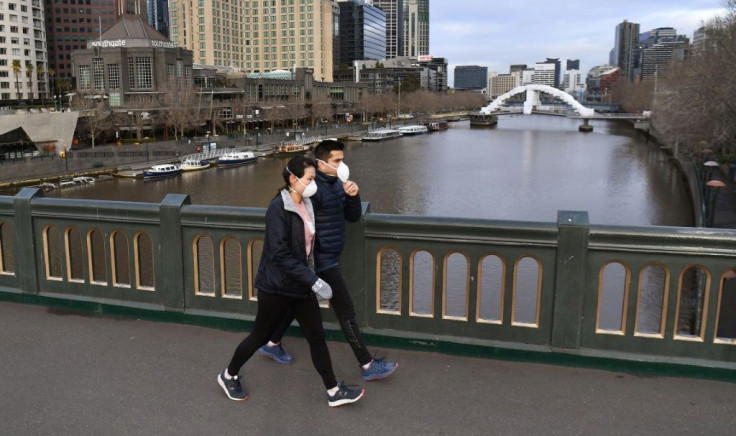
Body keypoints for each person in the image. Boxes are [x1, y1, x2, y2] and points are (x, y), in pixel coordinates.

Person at [217, 155, 364, 407]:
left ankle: (332, 392)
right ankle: (228, 375)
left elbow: (337, 217)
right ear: (293, 179)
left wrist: (353, 195)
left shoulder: (307, 202)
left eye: (314, 178)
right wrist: (315, 281)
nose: (313, 183)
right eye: (309, 179)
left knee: (316, 336)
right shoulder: (278, 208)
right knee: (260, 336)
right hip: (276, 286)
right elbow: (279, 254)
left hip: (300, 285)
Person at [258, 139, 399, 381]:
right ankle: (367, 365)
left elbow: (352, 218)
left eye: (342, 159)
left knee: (296, 305)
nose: (342, 165)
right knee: (345, 310)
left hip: (329, 256)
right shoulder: (312, 190)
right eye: (337, 161)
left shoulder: (338, 185)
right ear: (321, 163)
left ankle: (271, 343)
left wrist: (353, 196)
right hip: (321, 261)